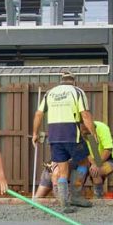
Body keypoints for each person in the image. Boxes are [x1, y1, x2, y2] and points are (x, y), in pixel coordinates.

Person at [31, 71, 98, 214]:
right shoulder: (77, 92)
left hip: (54, 136)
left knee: (62, 170)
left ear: (61, 81)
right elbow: (85, 115)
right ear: (74, 81)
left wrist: (35, 133)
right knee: (84, 163)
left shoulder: (50, 93)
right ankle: (76, 196)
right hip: (72, 134)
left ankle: (64, 202)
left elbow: (38, 114)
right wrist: (94, 134)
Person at [83, 120, 113, 199]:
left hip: (108, 159)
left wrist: (96, 164)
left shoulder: (102, 128)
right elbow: (85, 152)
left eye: (84, 131)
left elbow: (108, 149)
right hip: (89, 159)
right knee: (78, 171)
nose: (82, 133)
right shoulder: (78, 130)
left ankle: (98, 199)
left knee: (95, 172)